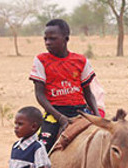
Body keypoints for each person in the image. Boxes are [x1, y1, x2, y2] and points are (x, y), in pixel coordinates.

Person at [30, 18, 99, 151]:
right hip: (55, 111)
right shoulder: (41, 60)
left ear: (66, 39)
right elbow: (39, 94)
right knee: (44, 148)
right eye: (45, 39)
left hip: (81, 110)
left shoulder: (81, 61)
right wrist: (60, 118)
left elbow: (88, 93)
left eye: (53, 39)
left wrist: (97, 116)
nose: (48, 43)